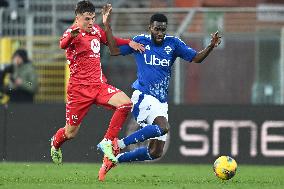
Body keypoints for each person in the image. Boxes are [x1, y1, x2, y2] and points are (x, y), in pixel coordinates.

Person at [98, 13, 221, 181]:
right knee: (163, 127)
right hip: (143, 95)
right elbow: (114, 50)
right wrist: (107, 25)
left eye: (163, 29)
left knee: (155, 152)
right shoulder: (141, 41)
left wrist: (211, 46)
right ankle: (117, 145)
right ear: (150, 28)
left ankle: (114, 160)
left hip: (161, 101)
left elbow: (196, 58)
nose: (160, 33)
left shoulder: (174, 43)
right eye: (156, 29)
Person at [50, 1, 144, 164]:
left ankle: (107, 141)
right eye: (87, 19)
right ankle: (55, 144)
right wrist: (73, 34)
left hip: (99, 85)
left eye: (93, 18)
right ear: (77, 18)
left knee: (126, 104)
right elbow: (62, 44)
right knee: (70, 133)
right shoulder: (72, 33)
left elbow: (110, 40)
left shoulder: (95, 30)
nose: (91, 22)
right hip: (78, 90)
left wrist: (129, 42)